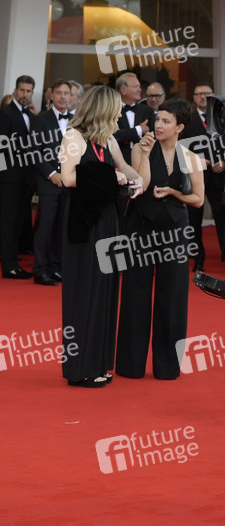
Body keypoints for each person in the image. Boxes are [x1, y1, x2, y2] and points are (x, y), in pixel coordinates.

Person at [59, 85, 143, 388]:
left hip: (108, 221)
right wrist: (113, 177)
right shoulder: (73, 136)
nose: (120, 115)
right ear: (104, 110)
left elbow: (124, 167)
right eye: (116, 109)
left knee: (106, 291)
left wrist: (138, 179)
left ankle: (99, 362)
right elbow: (68, 177)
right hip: (84, 223)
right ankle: (80, 369)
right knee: (84, 293)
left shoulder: (108, 139)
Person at [116, 98, 204, 379]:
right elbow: (140, 185)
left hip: (175, 232)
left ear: (179, 127)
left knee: (173, 296)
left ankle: (168, 367)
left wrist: (173, 192)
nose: (159, 125)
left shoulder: (190, 157)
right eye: (157, 119)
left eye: (166, 121)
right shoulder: (140, 148)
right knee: (135, 293)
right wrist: (143, 154)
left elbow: (198, 199)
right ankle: (130, 365)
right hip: (140, 227)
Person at [0, 75, 36, 279]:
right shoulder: (5, 113)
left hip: (26, 176)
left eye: (28, 91)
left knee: (19, 221)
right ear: (15, 91)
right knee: (8, 221)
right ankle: (8, 266)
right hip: (9, 176)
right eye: (22, 90)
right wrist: (22, 148)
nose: (24, 94)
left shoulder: (31, 115)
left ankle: (14, 263)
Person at [31, 79, 72, 286]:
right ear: (52, 96)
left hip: (70, 181)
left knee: (62, 227)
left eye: (66, 93)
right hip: (49, 181)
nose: (63, 97)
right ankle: (40, 269)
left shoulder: (76, 120)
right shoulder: (41, 120)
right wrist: (52, 174)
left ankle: (57, 267)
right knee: (45, 226)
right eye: (59, 93)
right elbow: (35, 152)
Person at [181, 82, 225, 272]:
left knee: (222, 217)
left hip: (219, 177)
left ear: (213, 95)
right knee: (194, 220)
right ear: (194, 97)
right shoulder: (187, 120)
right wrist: (199, 160)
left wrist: (224, 161)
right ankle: (198, 259)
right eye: (199, 94)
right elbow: (180, 147)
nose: (203, 97)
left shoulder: (222, 117)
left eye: (207, 93)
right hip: (195, 176)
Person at [113, 72, 154, 166]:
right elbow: (115, 136)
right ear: (123, 90)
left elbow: (153, 134)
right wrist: (139, 129)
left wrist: (125, 134)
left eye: (139, 86)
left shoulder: (147, 110)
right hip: (118, 163)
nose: (140, 90)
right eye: (135, 86)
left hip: (144, 161)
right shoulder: (113, 111)